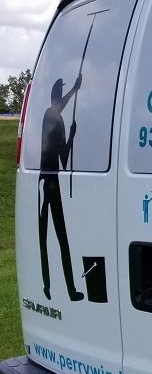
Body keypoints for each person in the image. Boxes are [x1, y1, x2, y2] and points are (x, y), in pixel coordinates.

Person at [39, 74, 83, 301]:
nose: (59, 99)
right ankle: (46, 285)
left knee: (62, 236)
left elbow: (63, 158)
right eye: (59, 94)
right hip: (44, 181)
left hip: (54, 179)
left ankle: (71, 289)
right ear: (55, 96)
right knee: (44, 237)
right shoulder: (50, 114)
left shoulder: (61, 121)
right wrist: (75, 89)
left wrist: (72, 136)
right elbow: (58, 108)